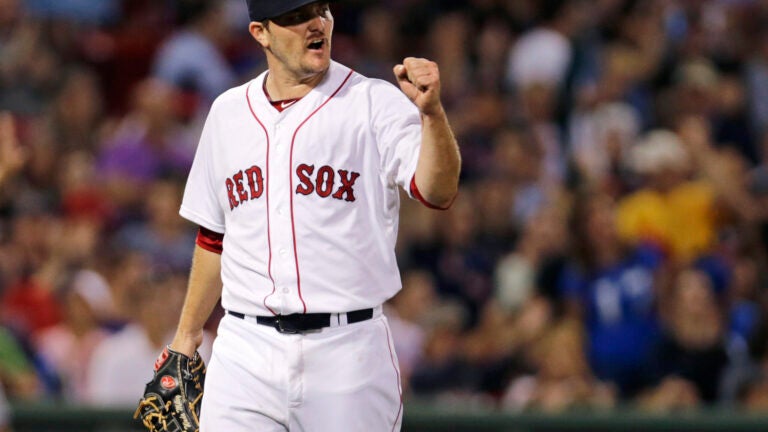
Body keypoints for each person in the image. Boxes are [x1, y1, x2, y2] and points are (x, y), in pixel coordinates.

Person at [164, 0, 461, 431]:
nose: (315, 24)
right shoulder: (228, 113)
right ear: (260, 33)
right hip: (245, 351)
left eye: (320, 10)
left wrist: (432, 115)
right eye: (295, 17)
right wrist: (187, 335)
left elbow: (437, 190)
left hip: (348, 352)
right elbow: (214, 237)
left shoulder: (372, 101)